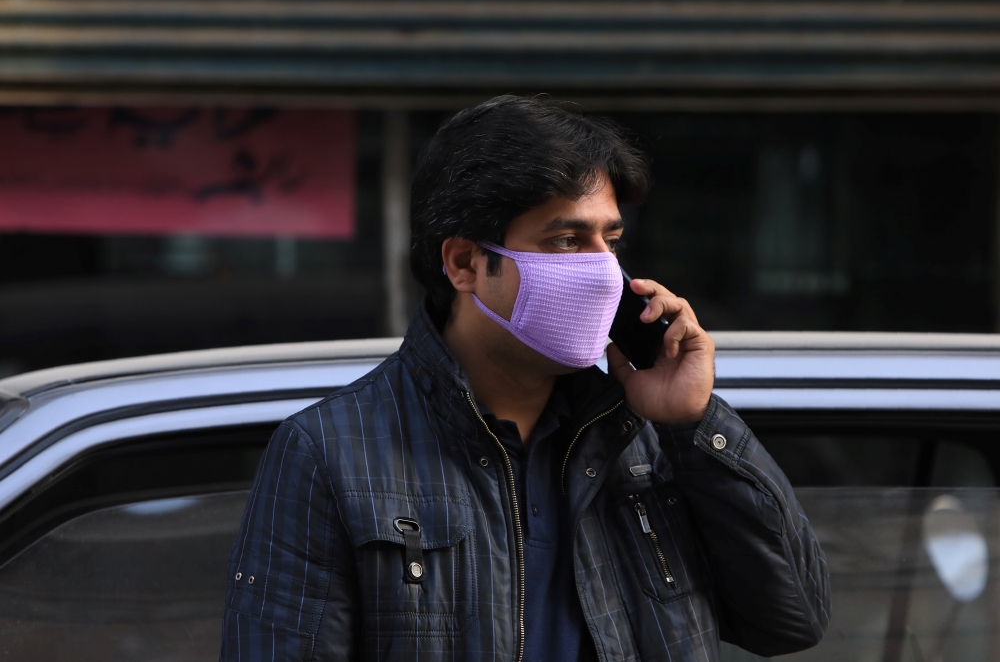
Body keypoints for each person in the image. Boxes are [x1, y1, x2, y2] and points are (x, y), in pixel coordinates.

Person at [220, 96, 830, 661]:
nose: (602, 272)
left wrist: (695, 424)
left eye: (610, 240)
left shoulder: (646, 437)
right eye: (566, 240)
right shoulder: (333, 454)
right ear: (465, 263)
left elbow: (792, 621)